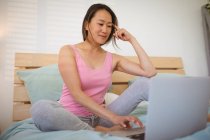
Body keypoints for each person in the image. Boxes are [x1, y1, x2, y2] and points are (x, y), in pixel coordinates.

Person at [31, 3, 157, 132]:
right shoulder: (68, 51)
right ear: (87, 25)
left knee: (143, 84)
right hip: (70, 119)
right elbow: (76, 94)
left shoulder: (113, 59)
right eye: (100, 24)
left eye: (109, 26)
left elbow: (149, 72)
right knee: (40, 108)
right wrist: (114, 118)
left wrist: (132, 39)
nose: (105, 30)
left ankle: (174, 118)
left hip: (102, 118)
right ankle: (98, 131)